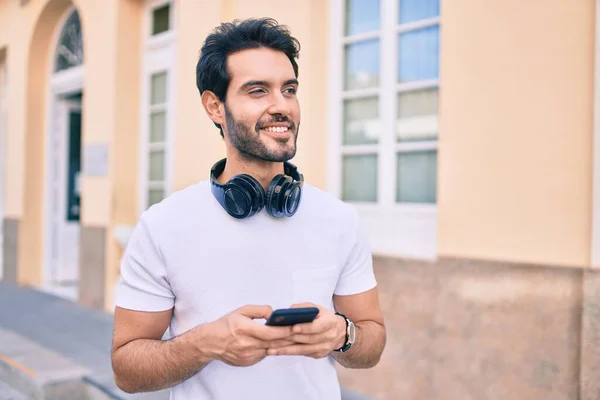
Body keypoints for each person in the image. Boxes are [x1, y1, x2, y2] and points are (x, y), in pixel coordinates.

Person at [110, 17, 386, 400]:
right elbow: (127, 370)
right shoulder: (163, 225)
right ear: (214, 106)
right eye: (258, 91)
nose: (281, 106)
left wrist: (343, 333)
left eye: (289, 89)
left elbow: (371, 343)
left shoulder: (339, 219)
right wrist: (205, 344)